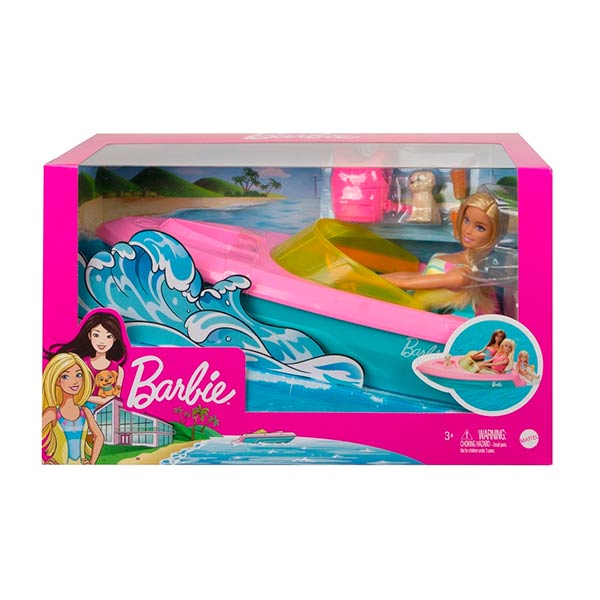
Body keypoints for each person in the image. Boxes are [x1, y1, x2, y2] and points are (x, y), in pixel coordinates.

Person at [381, 192, 508, 315]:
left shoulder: (462, 275)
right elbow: (419, 276)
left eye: (480, 228)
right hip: (409, 303)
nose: (468, 230)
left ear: (494, 234)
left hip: (415, 317)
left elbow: (411, 282)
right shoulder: (460, 259)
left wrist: (375, 280)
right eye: (466, 220)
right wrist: (376, 277)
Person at [44, 311, 127, 411]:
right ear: (89, 335)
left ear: (115, 338)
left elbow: (114, 400)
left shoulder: (118, 370)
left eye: (109, 336)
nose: (102, 341)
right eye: (96, 335)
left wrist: (85, 398)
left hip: (105, 413)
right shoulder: (81, 364)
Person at [42, 353, 104, 464]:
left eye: (78, 375)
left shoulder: (85, 412)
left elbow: (99, 436)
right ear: (57, 380)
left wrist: (92, 463)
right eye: (66, 376)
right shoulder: (52, 413)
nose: (75, 381)